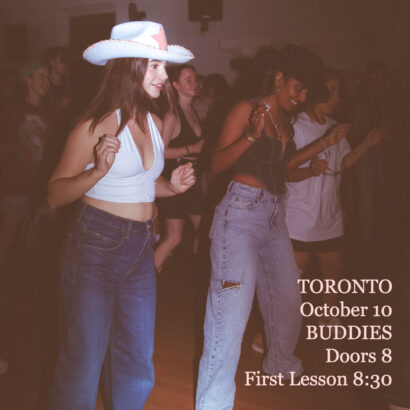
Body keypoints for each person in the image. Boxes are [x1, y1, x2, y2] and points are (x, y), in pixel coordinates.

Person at [46, 21, 195, 410]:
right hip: (95, 246)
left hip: (142, 246)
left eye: (164, 66)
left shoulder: (155, 122)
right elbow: (55, 194)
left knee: (136, 363)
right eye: (154, 66)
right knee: (83, 363)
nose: (165, 76)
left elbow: (146, 185)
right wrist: (96, 171)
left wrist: (172, 187)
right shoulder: (94, 126)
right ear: (128, 66)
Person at [195, 45, 350, 410]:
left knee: (287, 300)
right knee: (230, 313)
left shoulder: (287, 121)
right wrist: (249, 136)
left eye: (305, 93)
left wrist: (307, 166)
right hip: (241, 215)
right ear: (278, 77)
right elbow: (215, 164)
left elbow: (282, 172)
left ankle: (280, 362)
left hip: (275, 217)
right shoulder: (247, 108)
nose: (300, 97)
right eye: (297, 88)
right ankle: (213, 403)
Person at [286, 68, 384, 327]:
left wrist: (366, 143)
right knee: (294, 276)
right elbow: (285, 173)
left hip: (329, 215)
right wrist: (309, 170)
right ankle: (279, 327)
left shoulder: (333, 126)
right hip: (300, 217)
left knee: (333, 271)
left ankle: (329, 317)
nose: (337, 98)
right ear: (314, 93)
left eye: (338, 92)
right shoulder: (296, 127)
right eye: (331, 92)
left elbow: (342, 164)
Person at [154, 64, 205, 271]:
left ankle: (200, 276)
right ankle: (145, 280)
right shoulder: (172, 116)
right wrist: (191, 148)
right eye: (188, 80)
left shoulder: (194, 111)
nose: (194, 84)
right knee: (174, 238)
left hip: (192, 182)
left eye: (195, 79)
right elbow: (160, 152)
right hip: (175, 182)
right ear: (175, 85)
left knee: (205, 231)